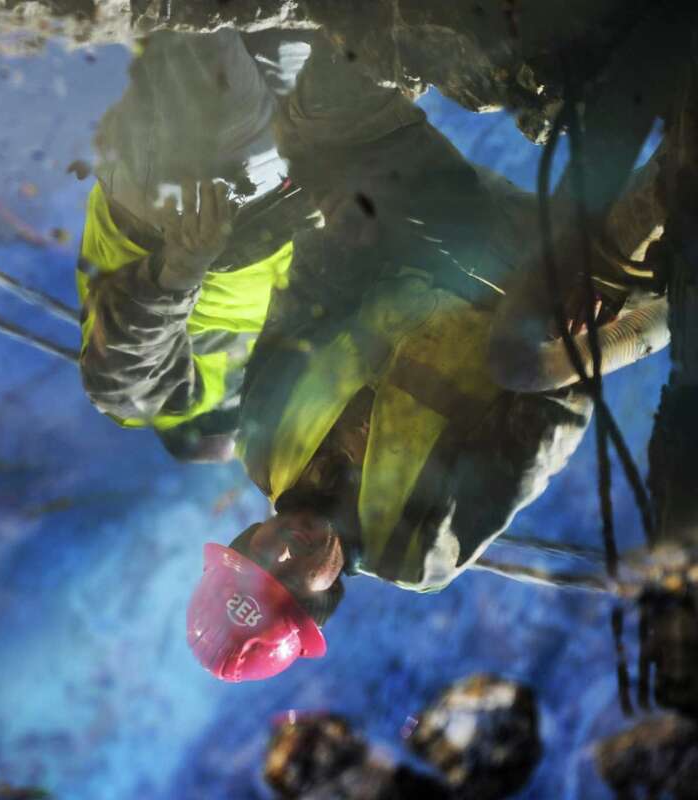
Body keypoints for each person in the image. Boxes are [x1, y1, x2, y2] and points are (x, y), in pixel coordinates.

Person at [81, 33, 666, 682]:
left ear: (246, 540)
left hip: (450, 232)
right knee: (557, 332)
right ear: (319, 601)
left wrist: (345, 219)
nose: (283, 550)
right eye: (289, 581)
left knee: (326, 99)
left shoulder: (264, 444)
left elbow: (314, 295)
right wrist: (575, 333)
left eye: (258, 555)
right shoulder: (420, 552)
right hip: (550, 307)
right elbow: (543, 431)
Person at [77, 28, 317, 462]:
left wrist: (181, 271)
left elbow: (124, 385)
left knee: (202, 23)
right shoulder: (257, 356)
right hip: (286, 171)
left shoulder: (178, 401)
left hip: (208, 193)